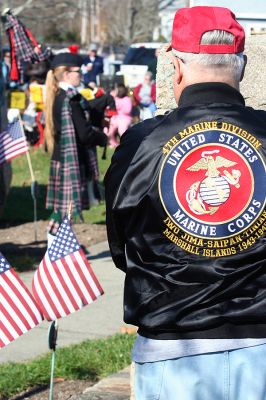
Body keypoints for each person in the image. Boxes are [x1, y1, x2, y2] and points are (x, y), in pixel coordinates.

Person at [105, 6, 266, 400]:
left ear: (175, 66)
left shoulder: (141, 142)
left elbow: (120, 245)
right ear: (241, 68)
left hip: (171, 352)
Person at [44, 52, 106, 244]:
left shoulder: (58, 96)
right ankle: (57, 251)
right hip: (71, 162)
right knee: (67, 210)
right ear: (65, 74)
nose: (81, 74)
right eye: (78, 71)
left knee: (62, 209)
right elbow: (85, 134)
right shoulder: (71, 99)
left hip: (60, 159)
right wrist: (103, 137)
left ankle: (55, 248)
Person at [106, 84, 132, 148]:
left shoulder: (127, 99)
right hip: (115, 117)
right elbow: (109, 108)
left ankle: (126, 144)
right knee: (109, 132)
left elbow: (127, 110)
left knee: (122, 131)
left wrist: (118, 107)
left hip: (124, 118)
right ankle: (114, 144)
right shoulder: (115, 98)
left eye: (116, 90)